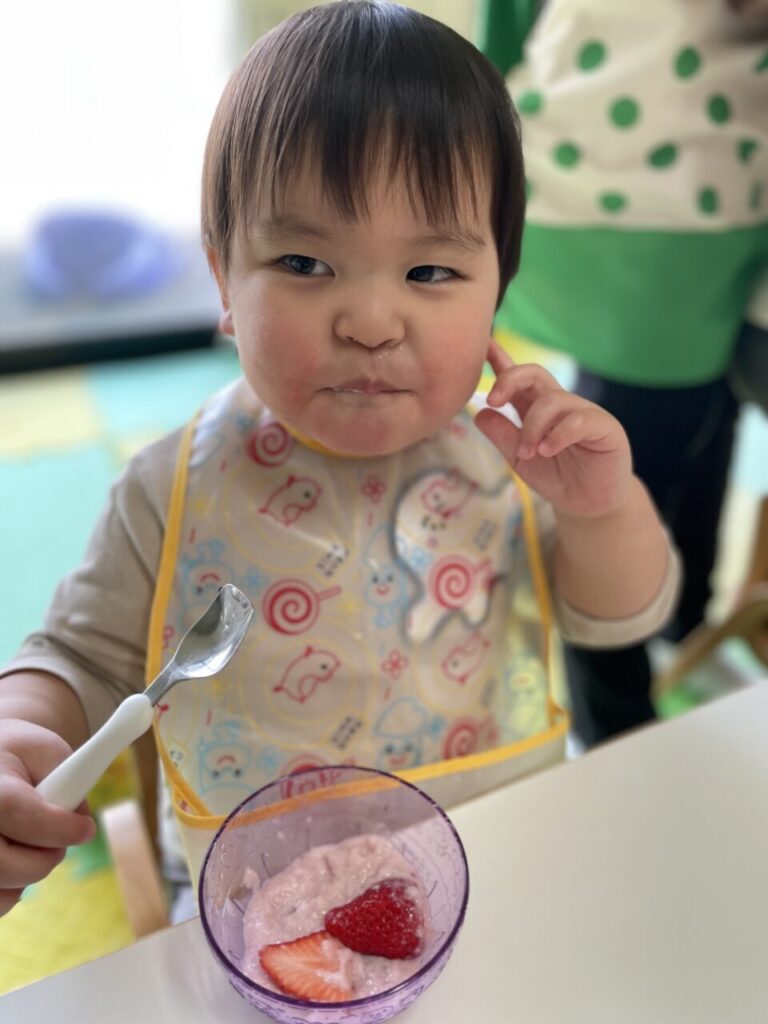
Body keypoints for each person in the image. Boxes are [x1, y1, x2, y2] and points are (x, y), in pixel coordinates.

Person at [0, 0, 678, 919]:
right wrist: (21, 731)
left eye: (430, 272)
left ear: (497, 290)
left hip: (490, 856)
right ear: (223, 279)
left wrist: (602, 508)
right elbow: (80, 655)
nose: (368, 322)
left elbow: (620, 617)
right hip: (259, 901)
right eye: (304, 263)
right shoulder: (171, 486)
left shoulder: (516, 460)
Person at [482, 0, 768, 747]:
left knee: (689, 433)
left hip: (713, 201)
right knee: (612, 467)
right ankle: (616, 726)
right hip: (630, 197)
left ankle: (678, 628)